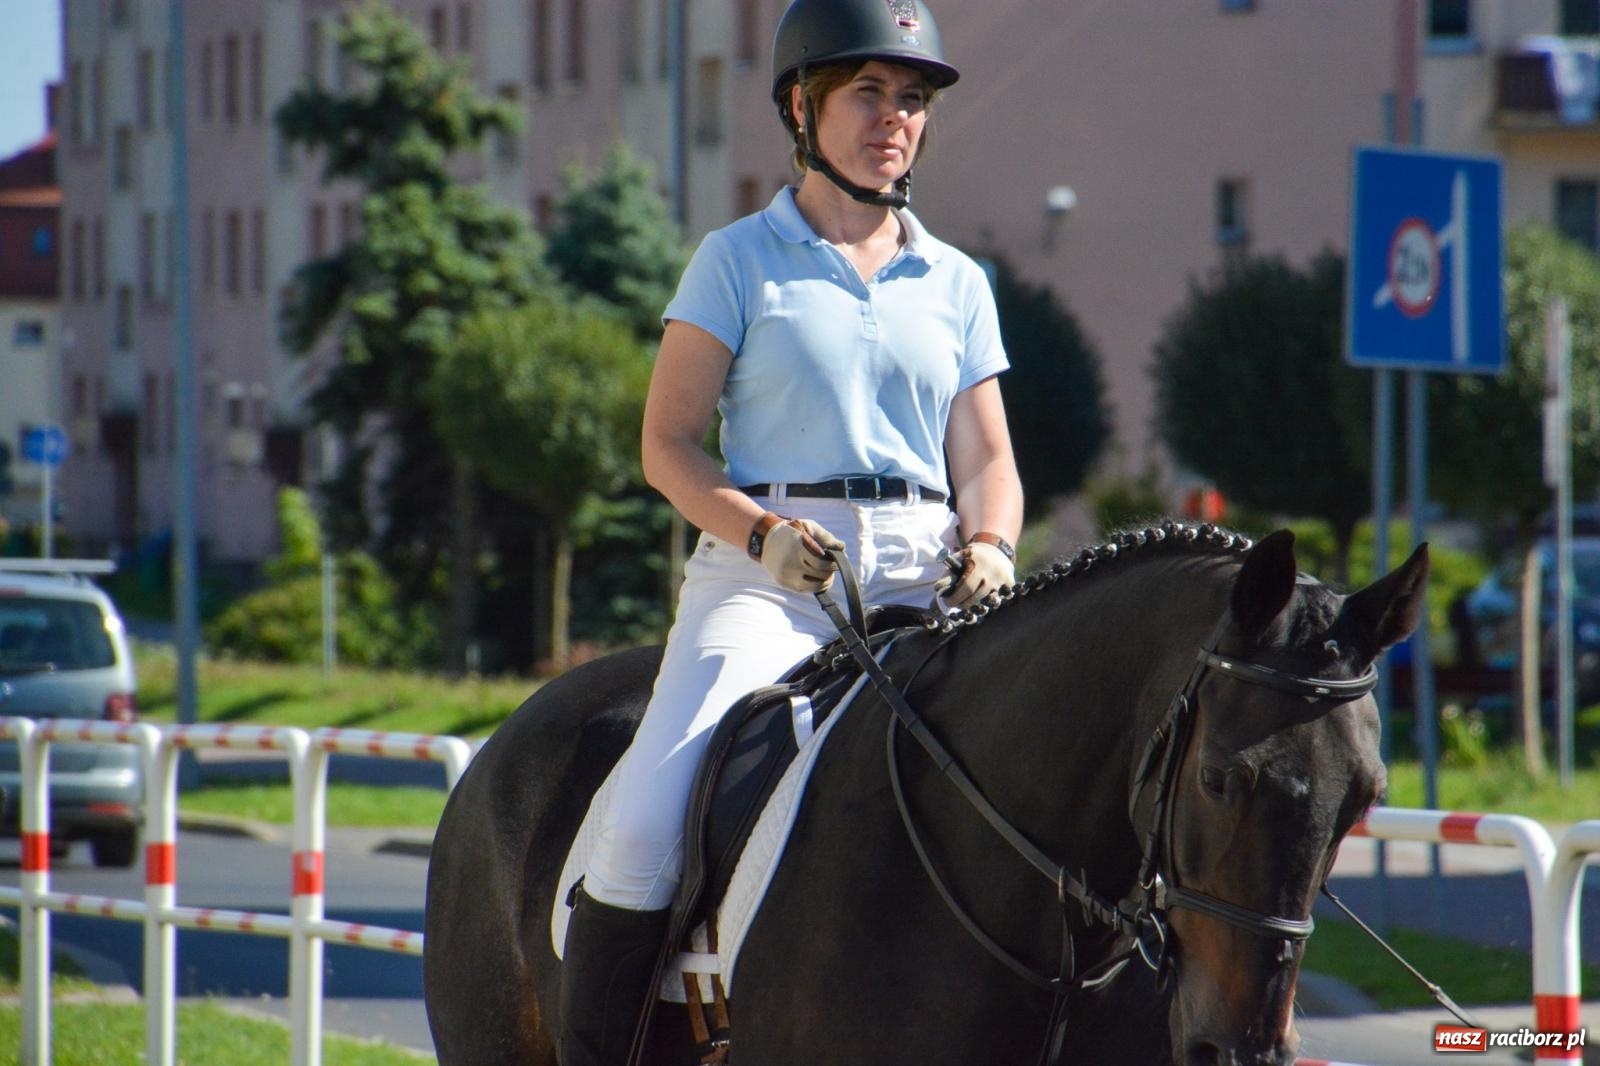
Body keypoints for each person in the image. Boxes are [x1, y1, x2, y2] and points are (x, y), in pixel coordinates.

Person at [557, 0, 1024, 1061]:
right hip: (768, 582)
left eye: (911, 99)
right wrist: (761, 531)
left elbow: (989, 460)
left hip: (925, 582)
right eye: (869, 92)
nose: (894, 118)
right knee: (643, 818)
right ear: (802, 109)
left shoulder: (957, 283)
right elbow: (668, 443)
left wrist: (991, 545)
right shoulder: (736, 260)